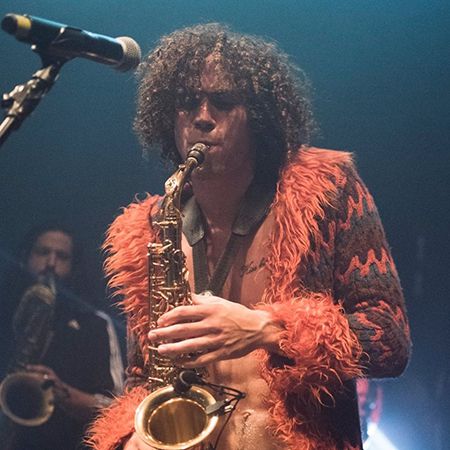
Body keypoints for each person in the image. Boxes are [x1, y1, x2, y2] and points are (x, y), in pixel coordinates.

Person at [88, 23, 411, 450]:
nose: (203, 117)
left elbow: (390, 341)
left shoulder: (328, 192)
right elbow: (142, 378)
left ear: (258, 117)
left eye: (223, 101)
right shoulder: (147, 229)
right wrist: (132, 437)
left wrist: (268, 329)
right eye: (187, 102)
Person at [0, 223, 124, 450]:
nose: (51, 263)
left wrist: (62, 392)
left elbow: (116, 407)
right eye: (43, 252)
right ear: (25, 257)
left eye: (62, 257)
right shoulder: (5, 313)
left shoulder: (95, 324)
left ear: (74, 267)